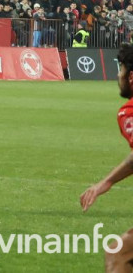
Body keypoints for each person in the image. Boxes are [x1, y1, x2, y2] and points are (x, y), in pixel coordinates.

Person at [81, 46, 133, 270]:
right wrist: (108, 181)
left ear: (131, 77)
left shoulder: (129, 111)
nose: (118, 76)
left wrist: (106, 182)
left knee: (118, 254)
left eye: (120, 70)